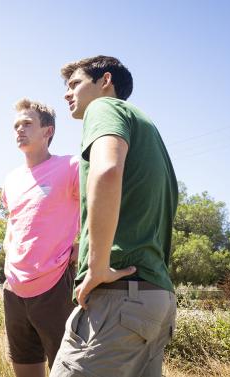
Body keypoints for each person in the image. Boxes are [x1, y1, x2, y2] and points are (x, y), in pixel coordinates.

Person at [49, 56, 178, 377]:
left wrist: (96, 266)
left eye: (75, 84)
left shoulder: (105, 108)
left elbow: (106, 171)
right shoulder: (148, 129)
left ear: (105, 81)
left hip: (119, 300)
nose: (67, 94)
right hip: (156, 299)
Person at [2, 98, 79, 377]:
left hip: (56, 286)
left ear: (48, 131)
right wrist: (7, 249)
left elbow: (98, 205)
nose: (19, 130)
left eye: (27, 123)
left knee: (69, 370)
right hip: (14, 289)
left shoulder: (71, 166)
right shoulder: (11, 179)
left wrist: (83, 244)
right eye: (16, 125)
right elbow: (13, 222)